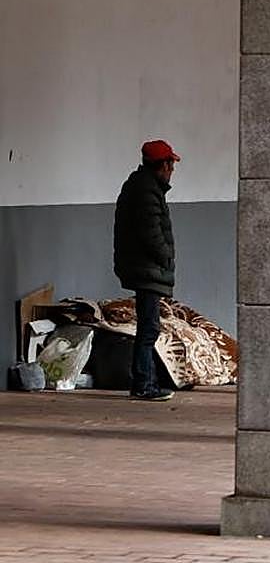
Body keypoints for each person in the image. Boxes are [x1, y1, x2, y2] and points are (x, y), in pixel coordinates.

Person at [113, 139, 181, 401]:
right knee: (149, 328)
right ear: (162, 165)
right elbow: (151, 233)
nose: (172, 170)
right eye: (171, 164)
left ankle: (145, 381)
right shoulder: (146, 191)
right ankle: (144, 384)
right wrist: (165, 256)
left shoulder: (141, 186)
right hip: (146, 270)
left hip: (142, 268)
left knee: (148, 326)